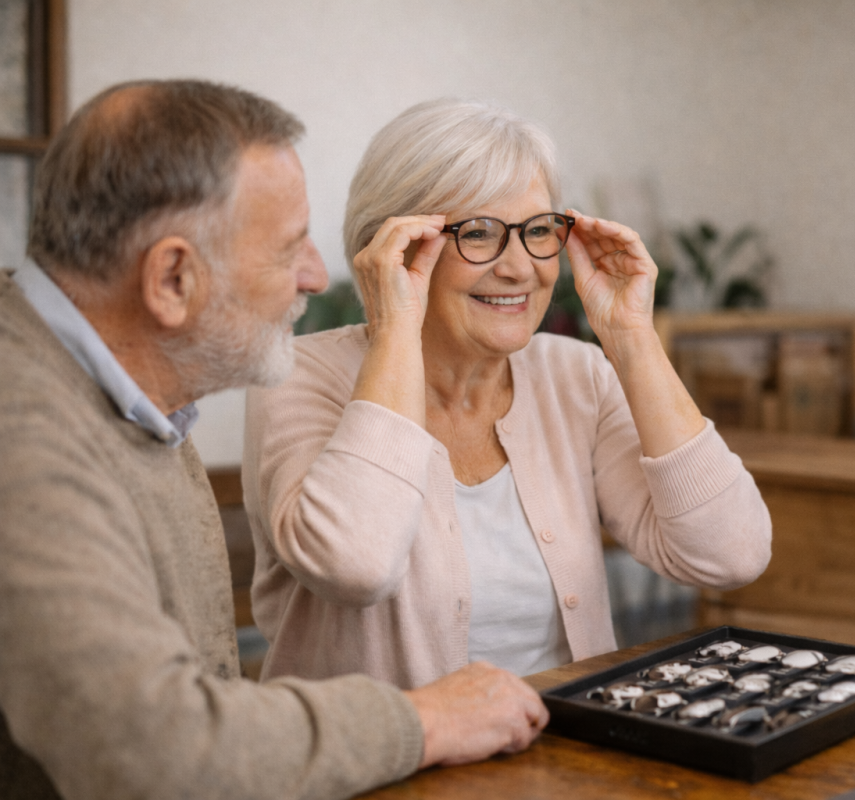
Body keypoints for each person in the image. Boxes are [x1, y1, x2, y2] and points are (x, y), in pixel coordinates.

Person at [0, 81, 547, 800]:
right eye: (290, 248)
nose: (318, 278)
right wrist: (423, 721)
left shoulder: (123, 397)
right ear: (172, 277)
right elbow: (149, 748)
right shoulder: (26, 433)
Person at [242, 99, 773, 690]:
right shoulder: (298, 377)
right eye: (479, 233)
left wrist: (632, 338)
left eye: (539, 230)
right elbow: (354, 566)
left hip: (567, 763)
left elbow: (731, 555)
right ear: (396, 248)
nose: (520, 268)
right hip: (388, 773)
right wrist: (394, 328)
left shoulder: (575, 377)